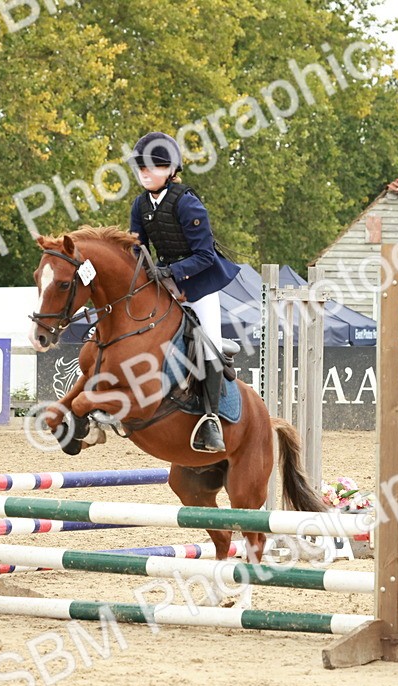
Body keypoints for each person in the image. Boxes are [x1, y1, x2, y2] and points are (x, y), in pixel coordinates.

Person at [127, 131, 241, 453]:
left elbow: (205, 256)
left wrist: (171, 272)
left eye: (154, 166)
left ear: (171, 171)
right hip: (164, 286)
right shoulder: (140, 205)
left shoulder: (187, 203)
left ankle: (211, 420)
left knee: (210, 348)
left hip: (199, 286)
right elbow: (137, 248)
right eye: (141, 167)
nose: (145, 173)